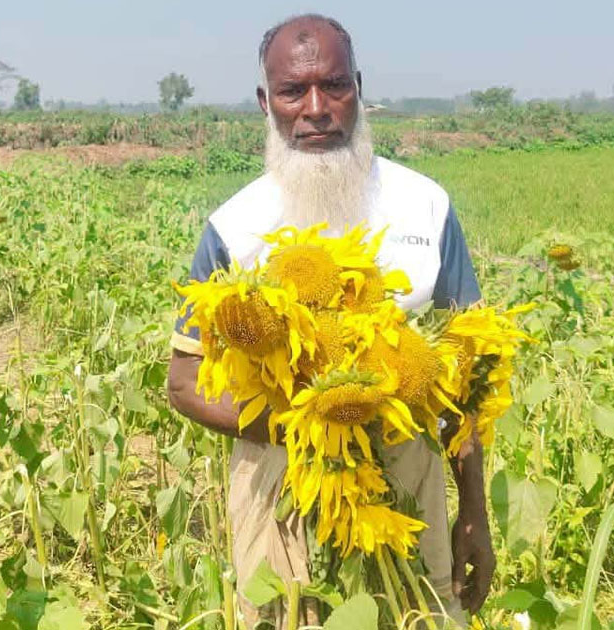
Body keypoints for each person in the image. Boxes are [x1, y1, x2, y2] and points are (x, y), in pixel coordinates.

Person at [166, 14, 495, 627]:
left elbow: (470, 375)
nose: (316, 108)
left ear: (358, 88)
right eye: (293, 91)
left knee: (416, 615)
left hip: (410, 481)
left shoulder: (425, 206)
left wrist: (473, 509)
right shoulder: (235, 229)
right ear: (267, 102)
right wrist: (312, 426)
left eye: (335, 85)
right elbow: (184, 383)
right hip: (281, 488)